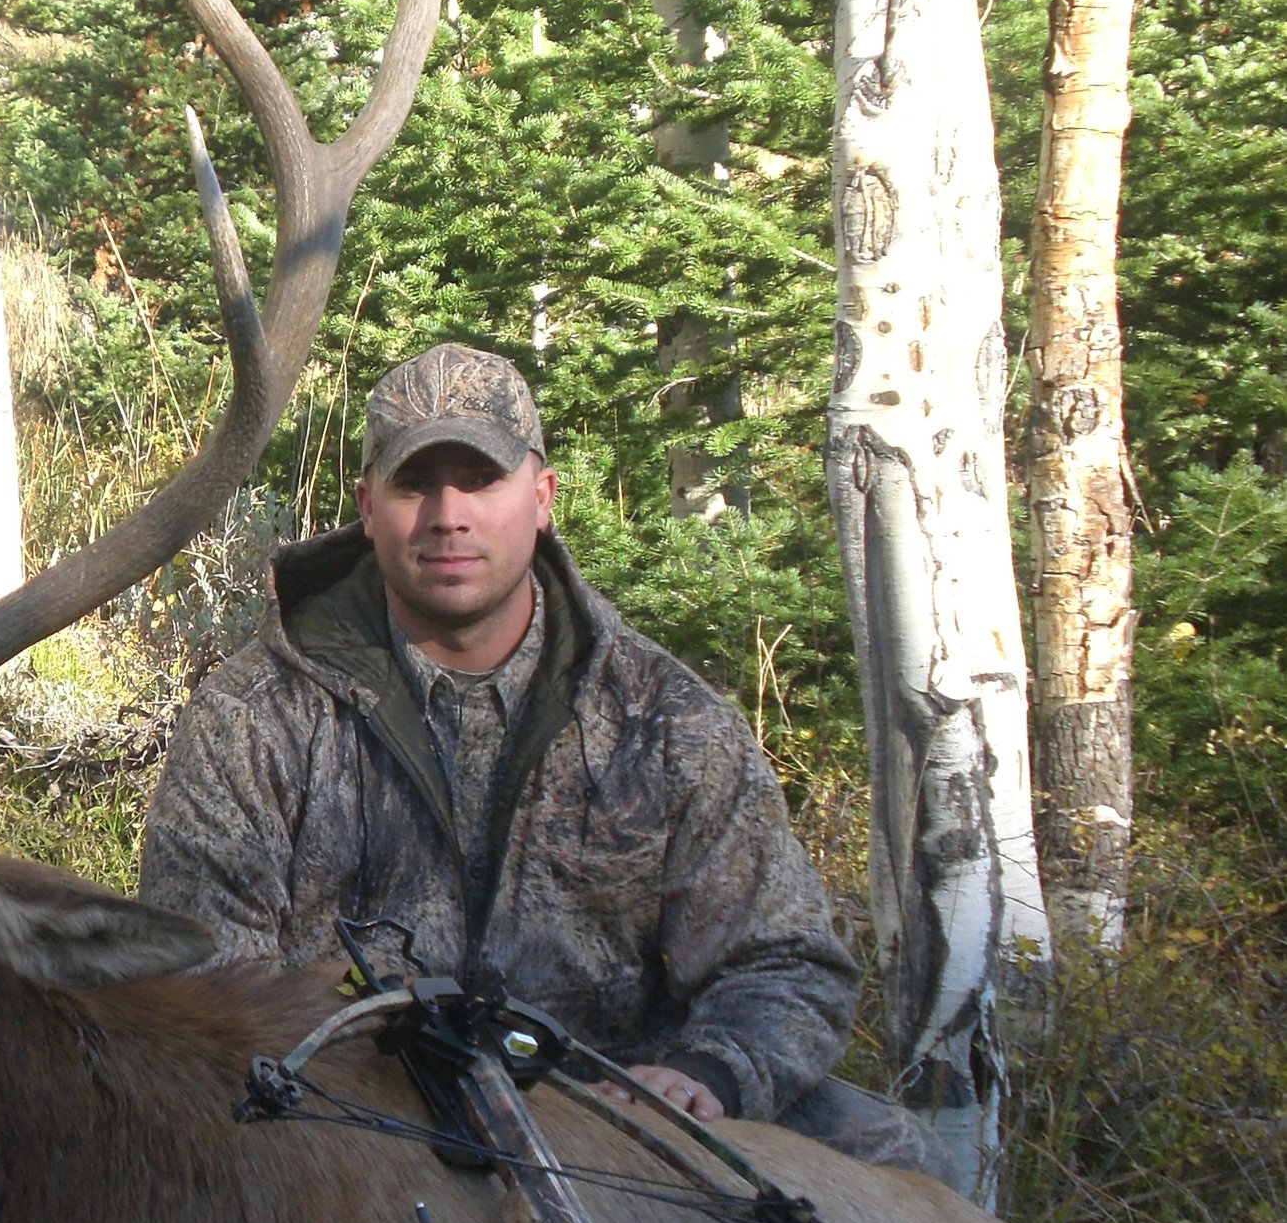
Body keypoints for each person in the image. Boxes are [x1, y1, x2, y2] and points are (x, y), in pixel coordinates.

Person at [137, 344, 952, 1180]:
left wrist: (710, 1072)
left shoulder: (664, 717)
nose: (448, 515)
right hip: (353, 1120)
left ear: (543, 497)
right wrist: (337, 1014)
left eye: (481, 480)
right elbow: (199, 984)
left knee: (895, 1158)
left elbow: (787, 960)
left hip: (623, 1120)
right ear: (367, 506)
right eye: (415, 484)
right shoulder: (252, 716)